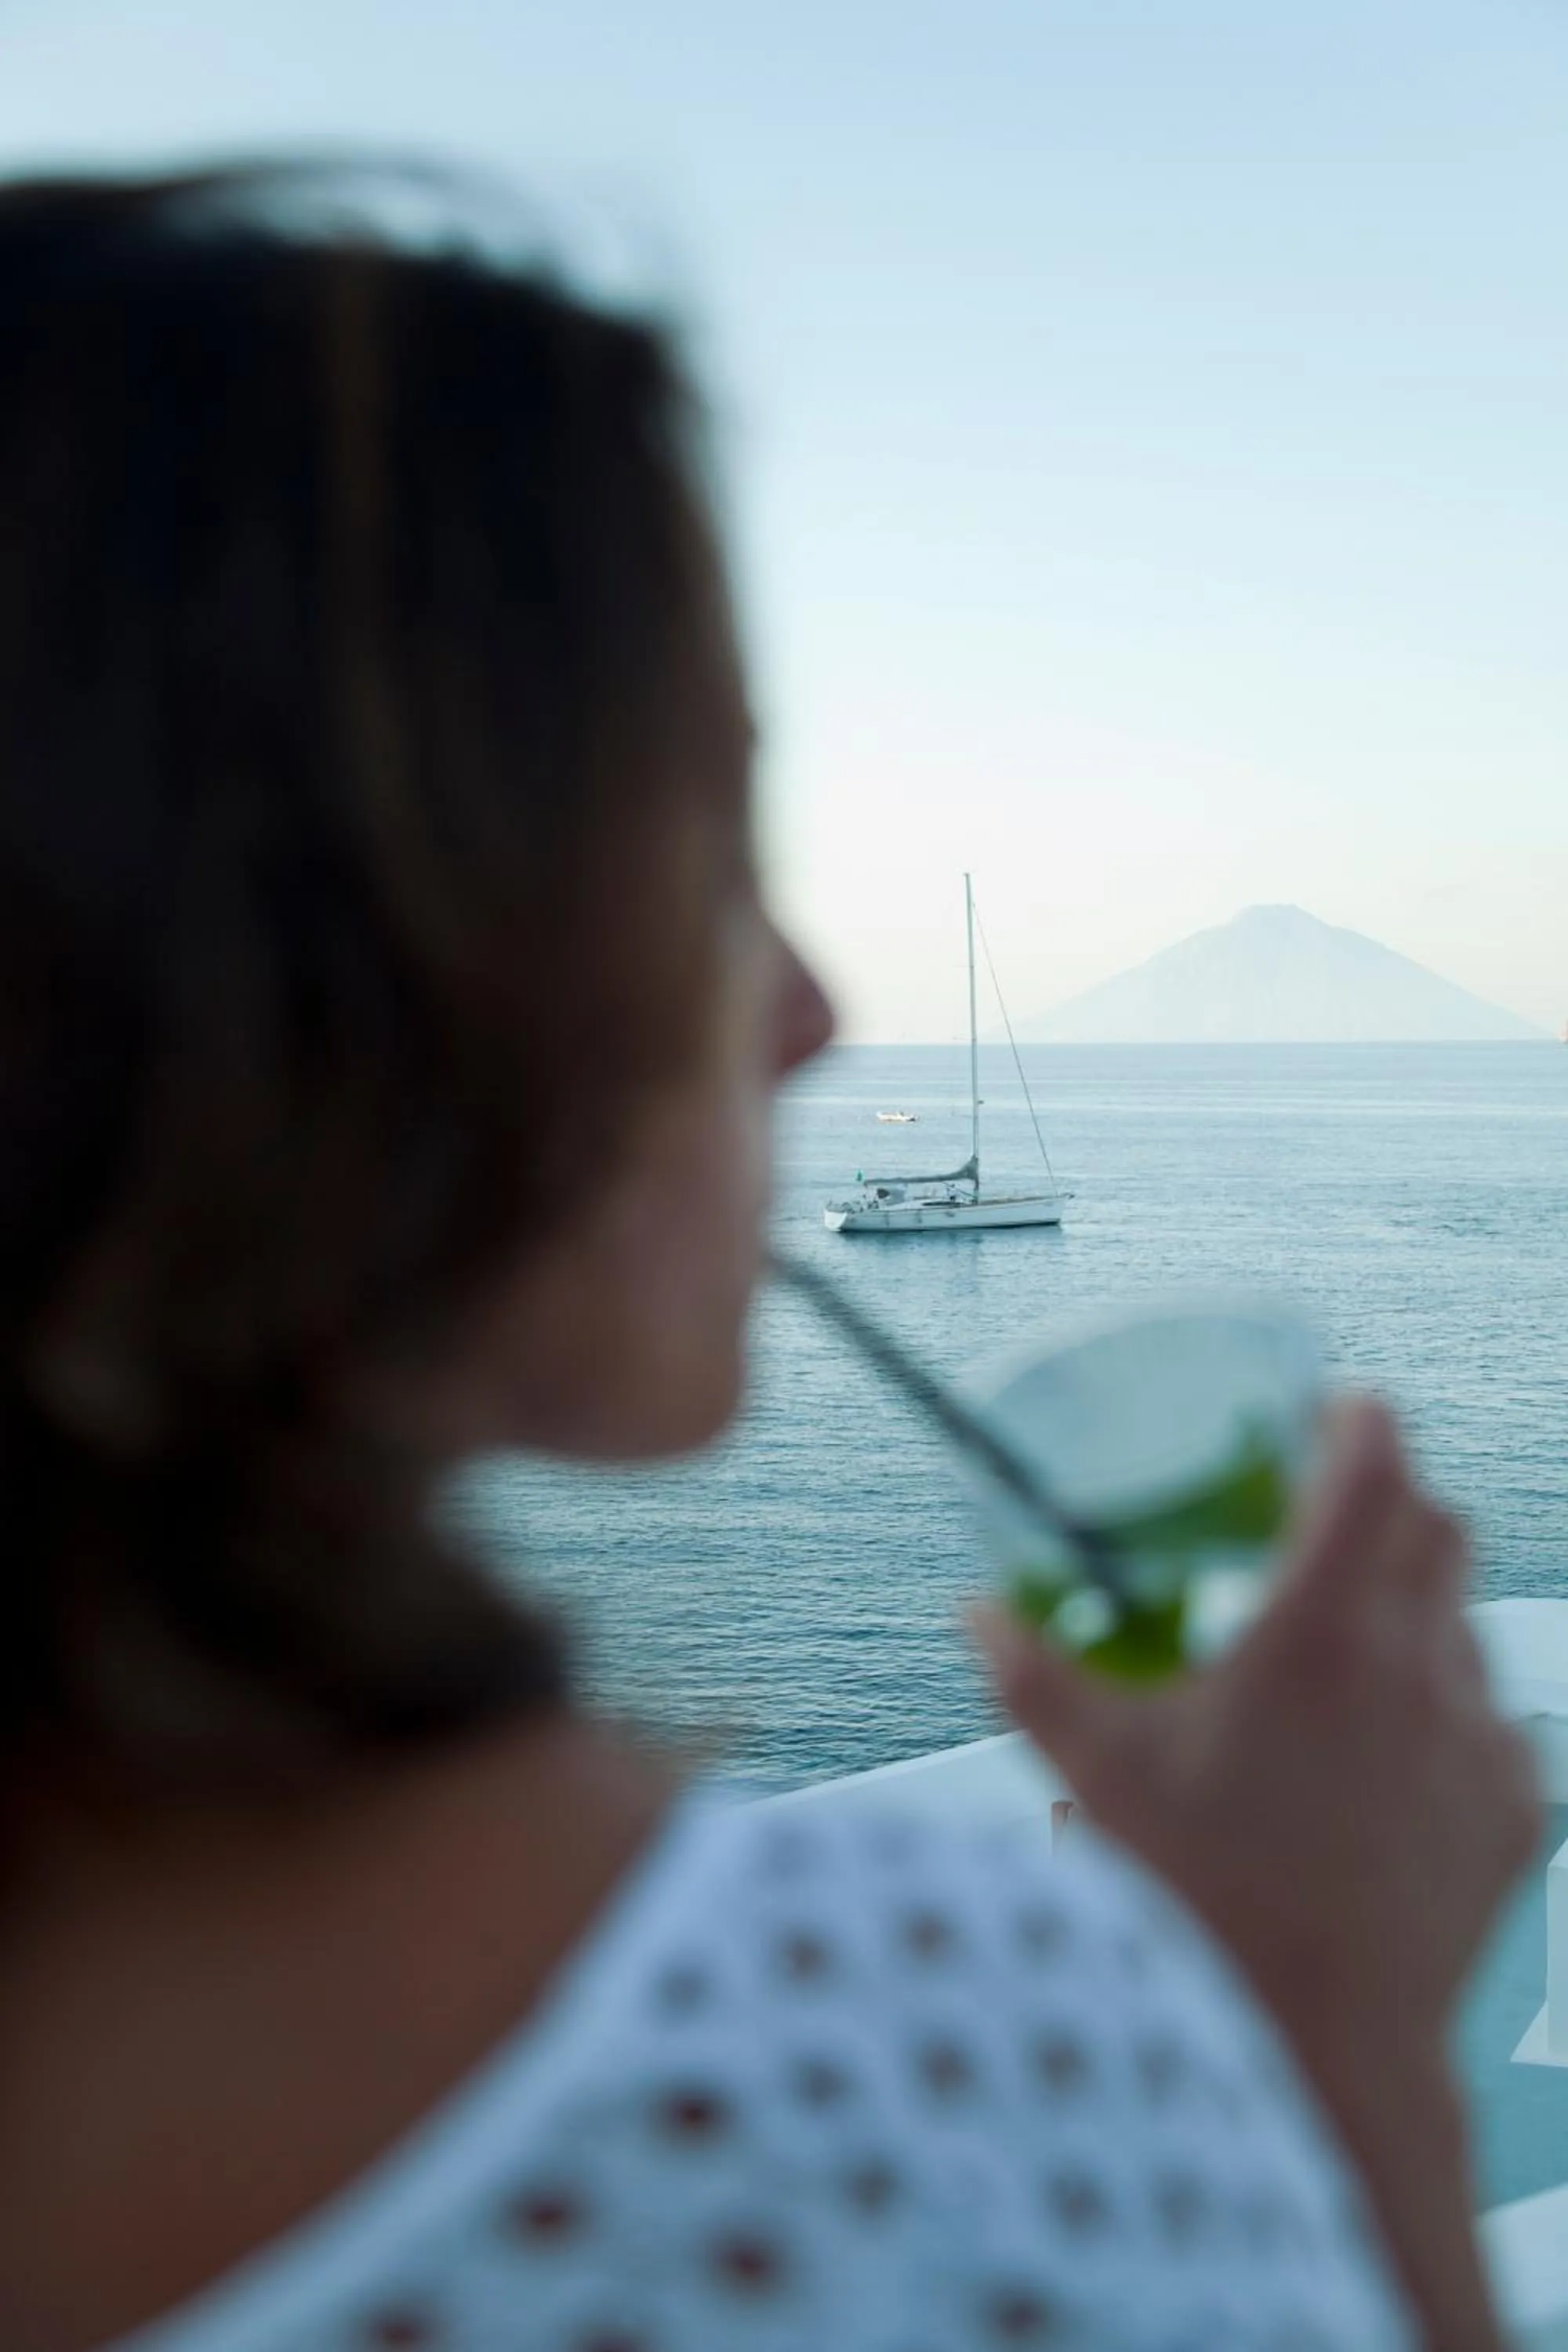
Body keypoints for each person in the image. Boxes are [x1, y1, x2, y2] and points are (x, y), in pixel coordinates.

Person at [0, 164, 1537, 2352]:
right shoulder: (893, 2072)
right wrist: (1327, 2008)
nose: (810, 1015)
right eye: (720, 853)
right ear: (339, 962)